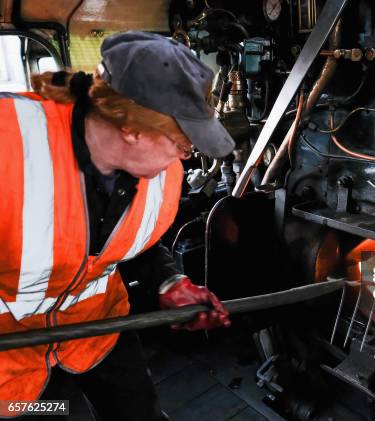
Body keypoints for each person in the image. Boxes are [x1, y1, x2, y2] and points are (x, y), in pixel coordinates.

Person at [0, 31, 235, 420]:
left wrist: (169, 281)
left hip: (99, 326)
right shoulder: (11, 145)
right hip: (10, 352)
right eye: (183, 143)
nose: (185, 156)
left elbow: (127, 242)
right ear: (132, 129)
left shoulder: (162, 172)